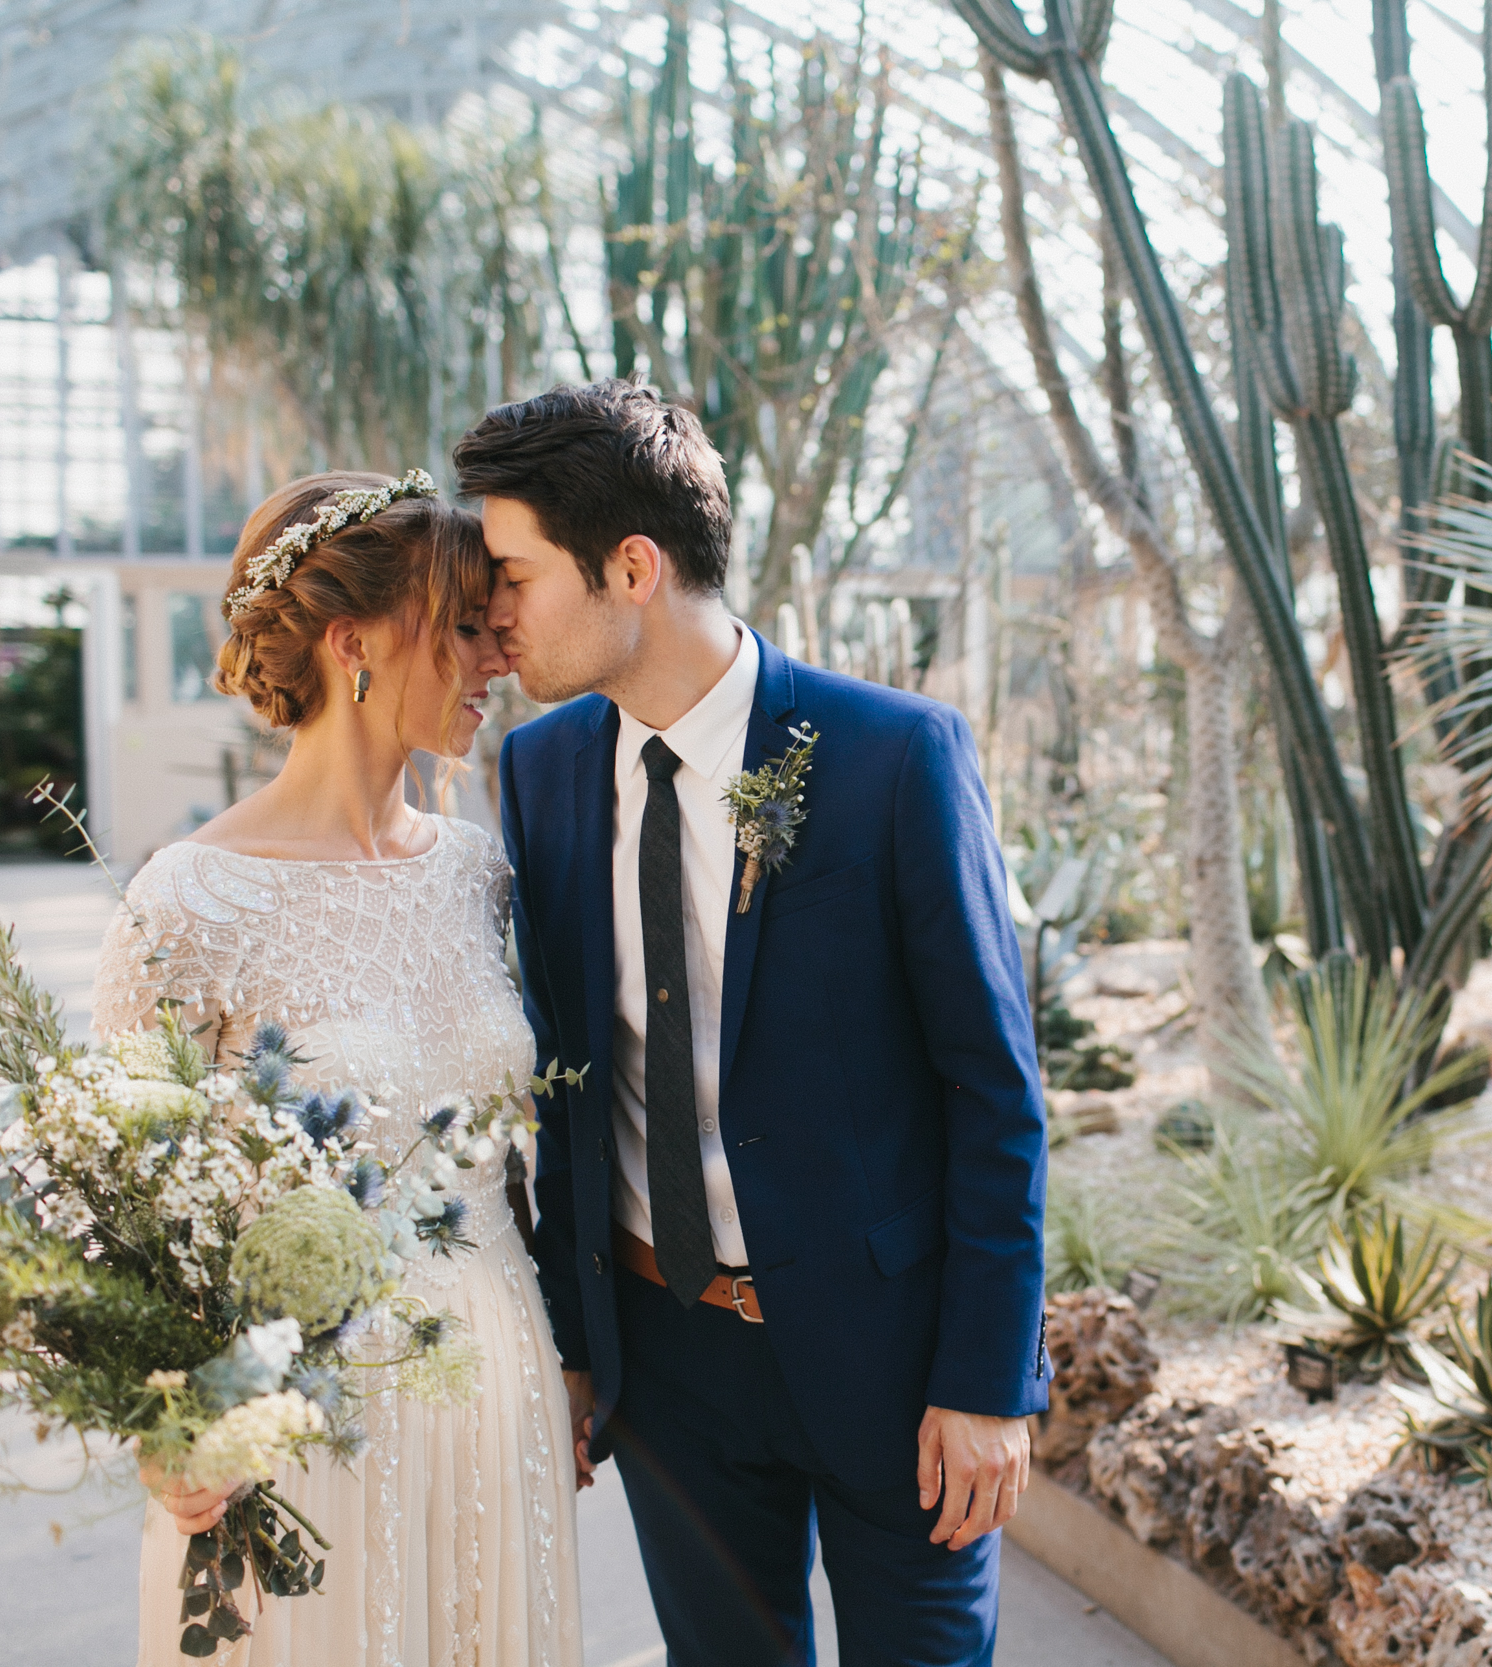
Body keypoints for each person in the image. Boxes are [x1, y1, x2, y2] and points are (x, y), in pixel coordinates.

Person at [460, 380, 1050, 1667]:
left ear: (629, 566)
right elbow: (570, 1088)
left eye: (511, 572)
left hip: (896, 1366)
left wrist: (987, 1379)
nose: (491, 613)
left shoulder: (894, 755)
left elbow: (992, 1089)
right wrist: (577, 1344)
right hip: (665, 1361)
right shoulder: (542, 773)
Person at [92, 472, 584, 1667]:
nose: (496, 656)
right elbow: (119, 1204)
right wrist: (161, 1414)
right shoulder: (188, 902)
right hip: (305, 1421)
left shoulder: (480, 875)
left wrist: (571, 1354)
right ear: (352, 639)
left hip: (500, 1386)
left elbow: (530, 1149)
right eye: (462, 624)